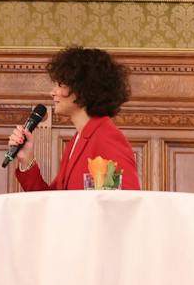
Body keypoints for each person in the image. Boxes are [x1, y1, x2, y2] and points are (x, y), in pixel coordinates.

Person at [8, 45, 141, 191]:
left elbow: (125, 203)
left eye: (61, 85)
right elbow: (54, 202)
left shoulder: (106, 138)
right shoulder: (79, 139)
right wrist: (26, 159)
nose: (53, 93)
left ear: (83, 89)